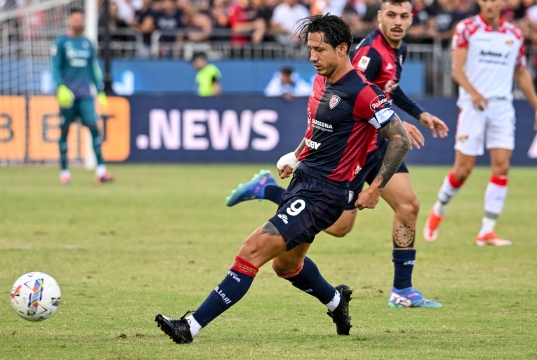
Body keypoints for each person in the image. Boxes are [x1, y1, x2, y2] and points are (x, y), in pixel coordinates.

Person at [155, 14, 412, 344]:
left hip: (323, 195)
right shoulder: (324, 83)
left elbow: (400, 139)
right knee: (286, 265)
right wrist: (296, 154)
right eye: (310, 49)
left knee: (252, 250)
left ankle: (189, 326)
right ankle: (336, 301)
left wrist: (376, 188)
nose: (312, 56)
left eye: (319, 49)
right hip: (303, 182)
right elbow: (320, 131)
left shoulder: (362, 92)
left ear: (342, 48)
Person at [227, 0, 447, 308]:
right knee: (340, 227)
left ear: (412, 18)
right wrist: (393, 123)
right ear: (380, 17)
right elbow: (355, 94)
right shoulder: (369, 55)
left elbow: (389, 90)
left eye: (405, 16)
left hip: (378, 145)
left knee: (408, 205)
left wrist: (417, 115)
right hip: (354, 151)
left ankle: (402, 290)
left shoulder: (399, 49)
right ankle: (272, 191)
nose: (398, 21)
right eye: (392, 15)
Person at [424, 0, 537, 246]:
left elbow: (521, 72)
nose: (490, 4)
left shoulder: (513, 33)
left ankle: (487, 230)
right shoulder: (467, 28)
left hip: (502, 106)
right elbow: (457, 69)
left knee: (502, 165)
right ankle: (439, 208)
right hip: (473, 105)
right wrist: (474, 93)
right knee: (463, 170)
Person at [52, 8, 114, 185]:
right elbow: (55, 66)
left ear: (85, 22)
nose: (78, 22)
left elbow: (93, 70)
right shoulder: (62, 42)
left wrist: (100, 91)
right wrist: (60, 87)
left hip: (86, 96)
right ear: (69, 21)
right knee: (64, 133)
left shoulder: (88, 43)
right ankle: (64, 172)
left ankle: (101, 171)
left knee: (95, 130)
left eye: (81, 19)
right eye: (75, 19)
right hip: (68, 97)